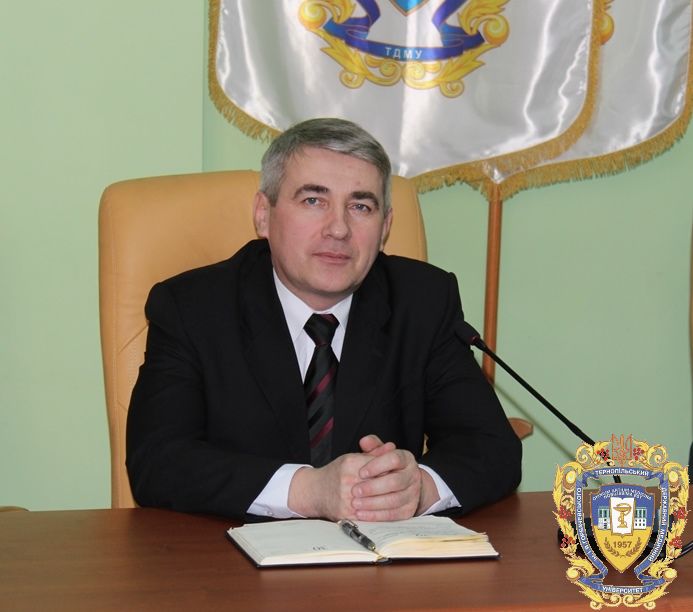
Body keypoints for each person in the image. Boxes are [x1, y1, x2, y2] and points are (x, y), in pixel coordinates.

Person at [126, 117, 521, 522]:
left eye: (361, 206)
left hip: (380, 556)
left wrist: (418, 488)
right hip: (226, 553)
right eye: (313, 200)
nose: (338, 229)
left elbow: (492, 447)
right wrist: (308, 491)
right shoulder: (192, 308)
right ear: (263, 214)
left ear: (385, 227)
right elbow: (156, 460)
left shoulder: (422, 301)